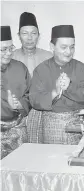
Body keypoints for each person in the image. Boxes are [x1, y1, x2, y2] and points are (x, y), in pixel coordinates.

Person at [29, 25, 84, 144]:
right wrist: (55, 92)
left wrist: (70, 87)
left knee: (75, 159)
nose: (69, 52)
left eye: (72, 47)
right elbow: (34, 100)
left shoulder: (81, 68)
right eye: (63, 47)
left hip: (77, 123)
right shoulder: (41, 70)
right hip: (50, 125)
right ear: (52, 47)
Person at [13, 12, 52, 143]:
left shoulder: (49, 57)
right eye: (25, 33)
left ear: (38, 35)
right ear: (19, 36)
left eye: (33, 33)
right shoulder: (11, 57)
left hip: (43, 113)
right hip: (17, 112)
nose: (29, 38)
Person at [1, 26, 31, 158]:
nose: (8, 53)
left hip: (17, 130)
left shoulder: (20, 68)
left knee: (19, 171)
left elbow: (30, 95)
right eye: (3, 49)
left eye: (10, 48)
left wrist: (19, 104)